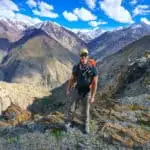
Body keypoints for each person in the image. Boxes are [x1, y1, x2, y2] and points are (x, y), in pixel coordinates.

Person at [66, 48, 98, 134]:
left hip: (87, 91)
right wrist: (68, 89)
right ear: (80, 57)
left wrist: (93, 96)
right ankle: (69, 122)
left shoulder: (93, 68)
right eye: (82, 56)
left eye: (85, 55)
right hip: (77, 90)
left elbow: (95, 83)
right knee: (72, 107)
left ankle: (86, 125)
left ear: (87, 56)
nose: (83, 57)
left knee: (86, 110)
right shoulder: (76, 67)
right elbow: (72, 80)